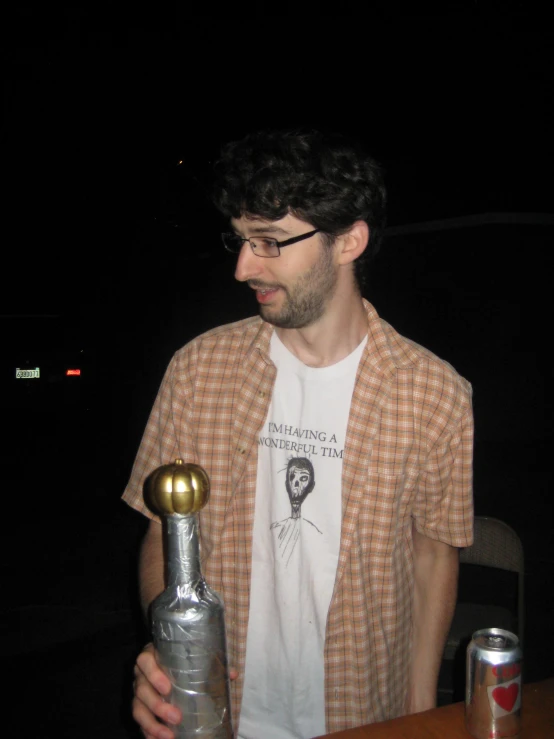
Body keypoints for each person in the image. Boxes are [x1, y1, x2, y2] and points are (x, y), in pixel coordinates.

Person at [123, 129, 474, 739]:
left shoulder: (433, 394)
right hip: (218, 717)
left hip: (361, 711)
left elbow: (433, 555)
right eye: (240, 238)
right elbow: (163, 531)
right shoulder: (198, 371)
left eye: (270, 242)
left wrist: (422, 717)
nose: (242, 266)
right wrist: (168, 653)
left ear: (349, 241)